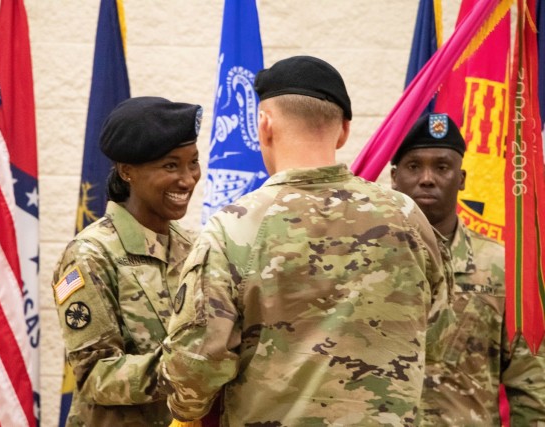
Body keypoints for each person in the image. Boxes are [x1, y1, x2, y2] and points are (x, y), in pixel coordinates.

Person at [160, 55, 451, 426]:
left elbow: (195, 370)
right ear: (344, 130)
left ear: (263, 125)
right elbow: (437, 339)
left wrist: (184, 408)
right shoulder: (408, 218)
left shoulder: (233, 228)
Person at [51, 96, 204, 427]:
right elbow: (95, 376)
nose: (188, 179)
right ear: (127, 172)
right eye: (170, 165)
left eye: (193, 162)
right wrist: (183, 369)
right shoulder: (90, 255)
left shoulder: (194, 247)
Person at [390, 112, 545, 425]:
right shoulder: (369, 261)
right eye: (413, 166)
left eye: (442, 167)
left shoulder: (503, 268)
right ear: (394, 177)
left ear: (461, 179)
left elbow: (530, 384)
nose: (427, 178)